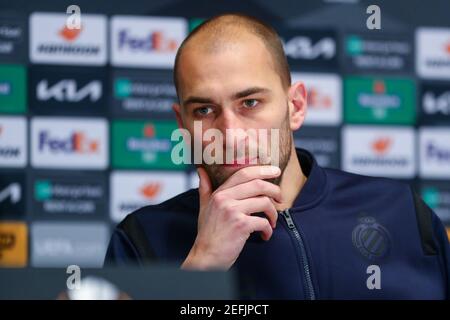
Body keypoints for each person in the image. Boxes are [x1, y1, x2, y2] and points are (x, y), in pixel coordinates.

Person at [104, 13, 450, 299]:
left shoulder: (400, 211)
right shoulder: (142, 240)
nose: (231, 134)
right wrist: (202, 265)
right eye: (205, 110)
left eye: (250, 103)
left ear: (295, 106)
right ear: (183, 125)